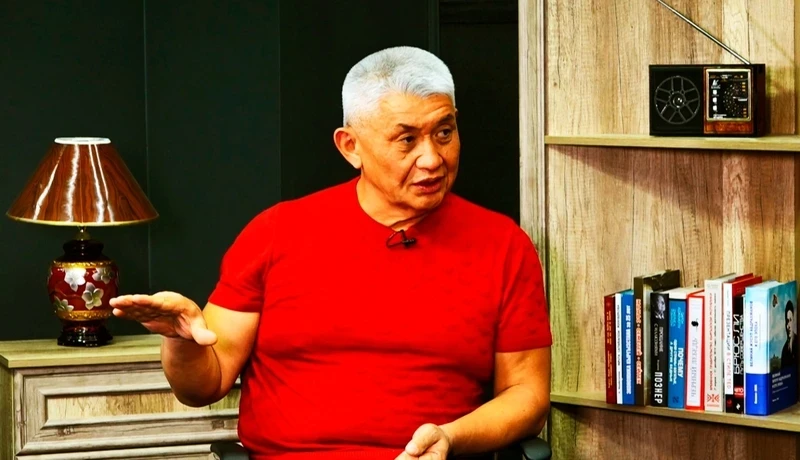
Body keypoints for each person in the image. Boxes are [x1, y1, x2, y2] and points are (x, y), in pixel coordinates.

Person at [110, 46, 552, 460]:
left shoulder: (502, 244)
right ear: (350, 147)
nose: (432, 158)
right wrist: (181, 342)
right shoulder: (276, 233)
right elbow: (202, 387)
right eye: (407, 140)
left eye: (444, 133)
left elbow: (528, 398)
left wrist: (451, 438)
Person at [782, 300, 797, 369]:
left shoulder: (797, 343)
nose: (788, 326)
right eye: (787, 321)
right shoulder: (784, 350)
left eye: (790, 320)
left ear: (794, 321)